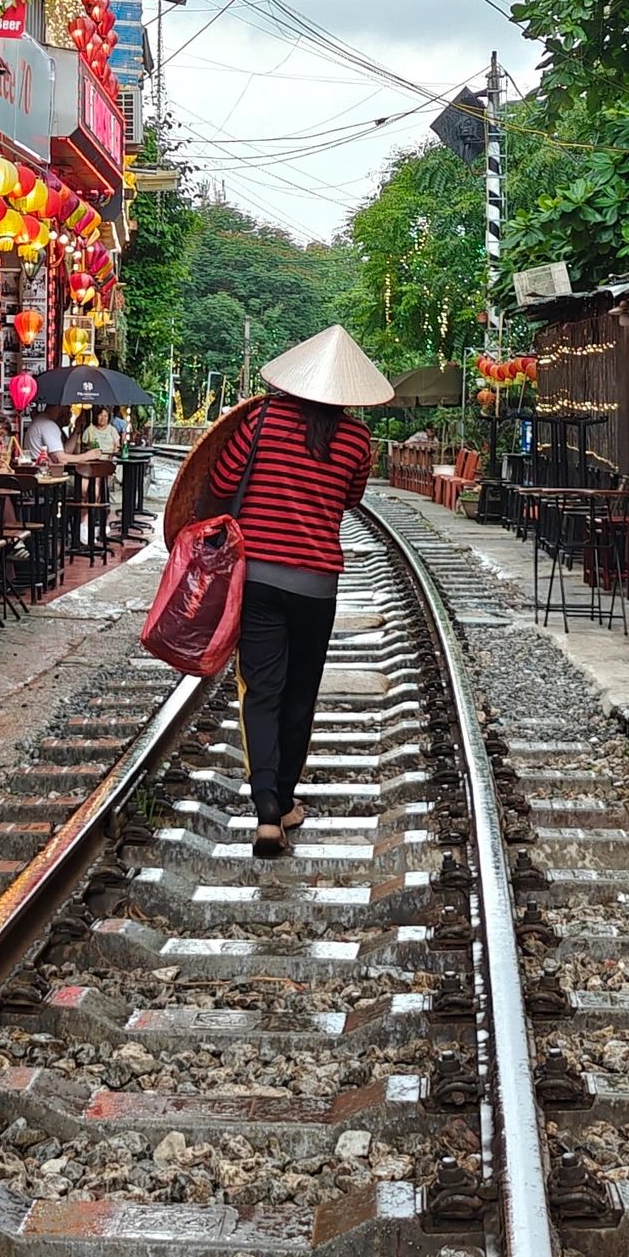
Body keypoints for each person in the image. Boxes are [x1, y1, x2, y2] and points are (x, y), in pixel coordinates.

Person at [205, 324, 392, 859]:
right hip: (317, 584)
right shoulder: (357, 439)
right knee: (300, 694)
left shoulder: (260, 421)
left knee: (260, 691)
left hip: (259, 577)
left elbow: (221, 482)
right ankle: (286, 799)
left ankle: (267, 812)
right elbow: (350, 501)